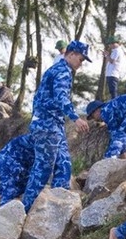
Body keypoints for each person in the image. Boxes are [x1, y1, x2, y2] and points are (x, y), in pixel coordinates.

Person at [22, 40, 92, 212]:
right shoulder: (62, 71)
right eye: (81, 60)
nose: (80, 64)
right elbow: (61, 97)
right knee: (43, 168)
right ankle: (26, 209)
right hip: (47, 125)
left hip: (54, 125)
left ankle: (59, 208)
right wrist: (76, 118)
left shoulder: (60, 70)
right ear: (71, 54)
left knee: (64, 164)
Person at [103, 36, 123, 100]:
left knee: (113, 91)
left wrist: (107, 55)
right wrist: (107, 56)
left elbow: (112, 61)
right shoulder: (114, 51)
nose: (110, 46)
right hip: (110, 73)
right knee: (112, 91)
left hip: (113, 74)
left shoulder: (117, 51)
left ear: (114, 43)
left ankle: (115, 103)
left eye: (110, 44)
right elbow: (109, 61)